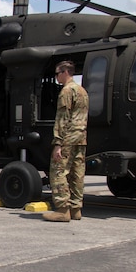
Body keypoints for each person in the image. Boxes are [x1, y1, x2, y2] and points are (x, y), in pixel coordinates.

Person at [43, 60, 89, 222]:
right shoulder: (82, 91)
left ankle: (62, 209)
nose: (56, 77)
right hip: (80, 138)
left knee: (58, 171)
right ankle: (76, 209)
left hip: (68, 138)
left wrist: (58, 143)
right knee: (77, 173)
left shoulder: (66, 91)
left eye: (57, 73)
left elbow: (62, 119)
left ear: (65, 72)